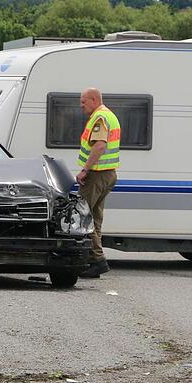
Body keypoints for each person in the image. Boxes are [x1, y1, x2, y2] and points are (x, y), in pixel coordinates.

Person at [75, 87, 120, 278]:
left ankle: (98, 260)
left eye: (84, 102)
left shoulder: (99, 118)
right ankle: (94, 260)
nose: (81, 106)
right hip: (108, 174)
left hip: (97, 174)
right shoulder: (110, 115)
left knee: (83, 216)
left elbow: (100, 145)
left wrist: (85, 169)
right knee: (95, 218)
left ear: (94, 99)